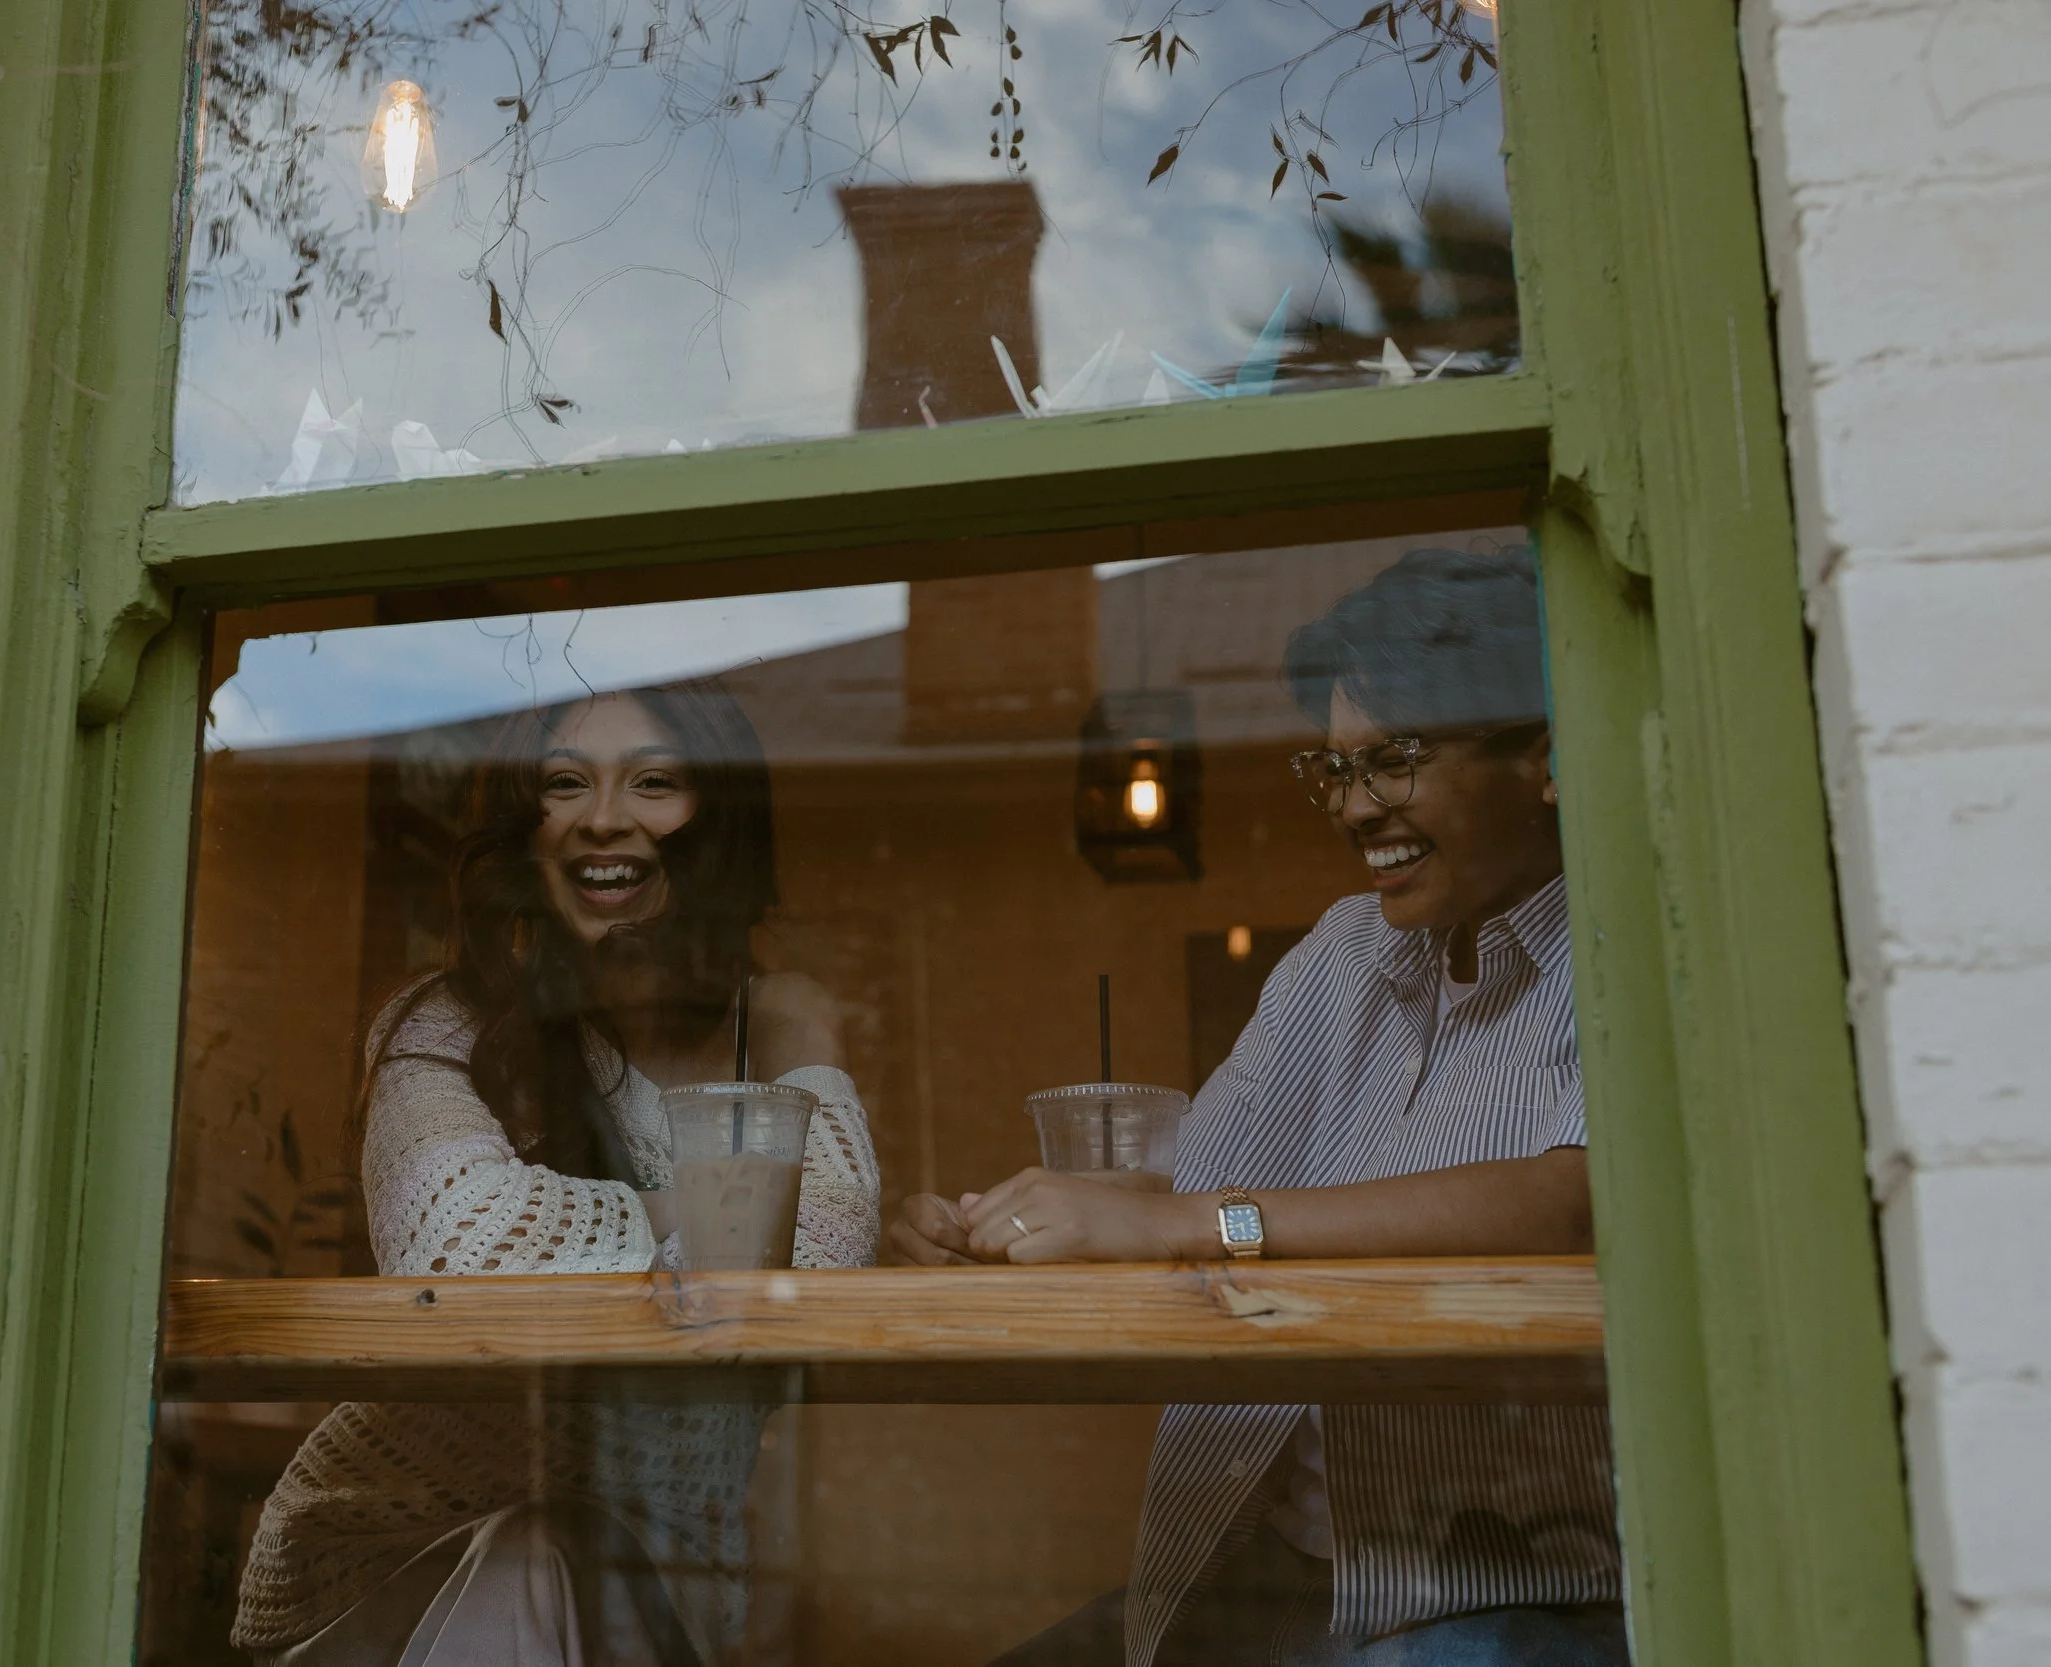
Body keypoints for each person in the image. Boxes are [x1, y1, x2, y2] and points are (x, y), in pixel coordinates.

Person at [892, 547, 1624, 1667]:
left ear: (1542, 754)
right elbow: (1197, 1191)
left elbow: (1571, 1195)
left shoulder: (1619, 939)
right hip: (1271, 1559)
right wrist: (1018, 1223)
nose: (1354, 808)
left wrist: (1179, 1222)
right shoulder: (1341, 952)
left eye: (1394, 762)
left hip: (1509, 1588)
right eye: (1332, 770)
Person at [232, 680, 881, 1667]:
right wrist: (714, 1209)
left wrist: (807, 1036)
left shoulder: (775, 1029)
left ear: (722, 822)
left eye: (655, 781)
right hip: (388, 1573)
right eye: (564, 784)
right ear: (520, 833)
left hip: (652, 1592)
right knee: (539, 1541)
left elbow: (822, 1252)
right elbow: (459, 1247)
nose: (603, 817)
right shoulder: (446, 1024)